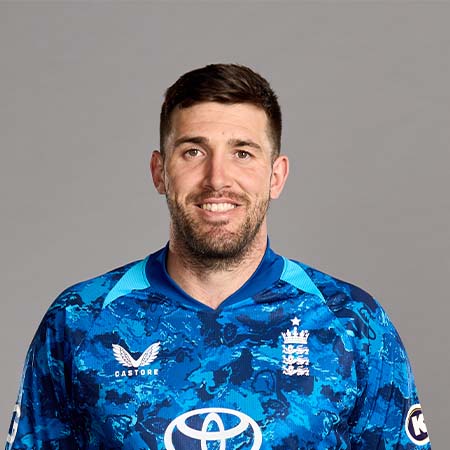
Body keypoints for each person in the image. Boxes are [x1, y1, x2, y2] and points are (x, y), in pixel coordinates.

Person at [6, 64, 430, 449]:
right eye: (193, 151)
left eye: (242, 153)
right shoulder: (80, 319)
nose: (217, 179)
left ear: (276, 175)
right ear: (159, 172)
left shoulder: (353, 322)